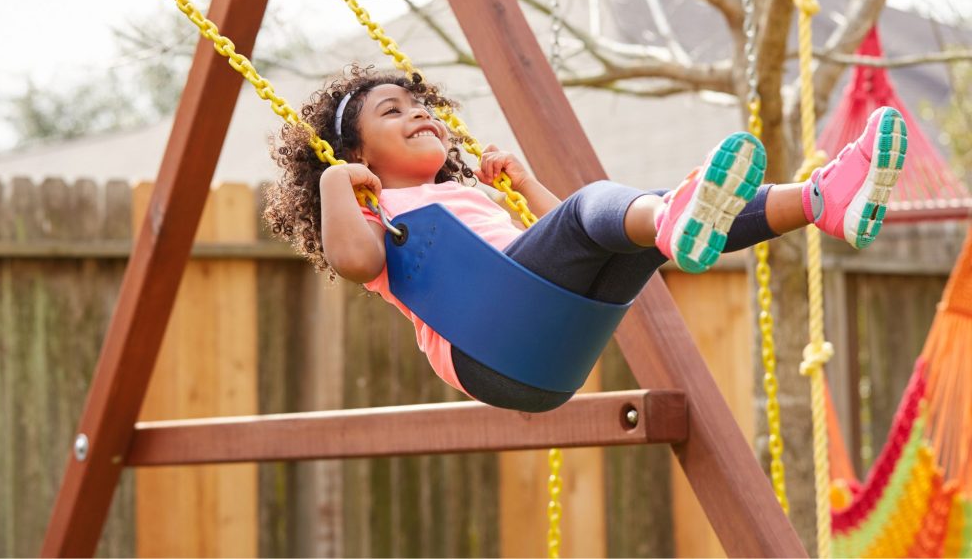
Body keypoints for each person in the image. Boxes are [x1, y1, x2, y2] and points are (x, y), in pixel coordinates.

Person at [265, 65, 907, 412]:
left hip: (546, 347)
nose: (420, 115)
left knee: (633, 227)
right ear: (354, 151)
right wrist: (334, 185)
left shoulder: (477, 197)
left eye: (420, 105)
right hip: (487, 346)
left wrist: (526, 181)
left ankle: (824, 202)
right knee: (609, 204)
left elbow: (560, 238)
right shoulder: (384, 212)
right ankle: (671, 220)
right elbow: (353, 262)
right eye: (394, 111)